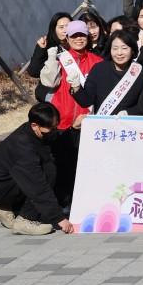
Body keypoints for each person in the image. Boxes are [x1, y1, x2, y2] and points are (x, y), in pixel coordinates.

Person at [0, 103, 76, 236]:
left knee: (57, 160)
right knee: (48, 171)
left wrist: (73, 130)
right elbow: (36, 186)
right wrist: (58, 218)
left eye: (55, 127)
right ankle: (25, 220)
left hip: (9, 182)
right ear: (34, 126)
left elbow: (58, 140)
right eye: (50, 129)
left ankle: (6, 209)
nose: (53, 132)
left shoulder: (36, 133)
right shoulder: (22, 145)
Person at [36, 20, 102, 205]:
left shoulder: (98, 62)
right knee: (60, 165)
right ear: (67, 38)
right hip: (61, 121)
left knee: (83, 166)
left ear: (88, 36)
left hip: (86, 121)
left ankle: (82, 202)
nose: (79, 39)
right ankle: (62, 203)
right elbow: (45, 82)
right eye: (74, 36)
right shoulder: (59, 60)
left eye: (82, 35)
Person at [71, 32, 143, 116]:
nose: (119, 53)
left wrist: (129, 112)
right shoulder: (99, 69)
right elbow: (86, 101)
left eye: (124, 48)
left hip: (129, 125)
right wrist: (76, 86)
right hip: (103, 125)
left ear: (132, 50)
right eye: (115, 48)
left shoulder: (140, 72)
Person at [27, 12, 71, 82]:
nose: (65, 30)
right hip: (52, 89)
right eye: (61, 27)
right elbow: (33, 71)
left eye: (68, 26)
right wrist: (40, 49)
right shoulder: (47, 45)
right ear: (54, 29)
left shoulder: (77, 44)